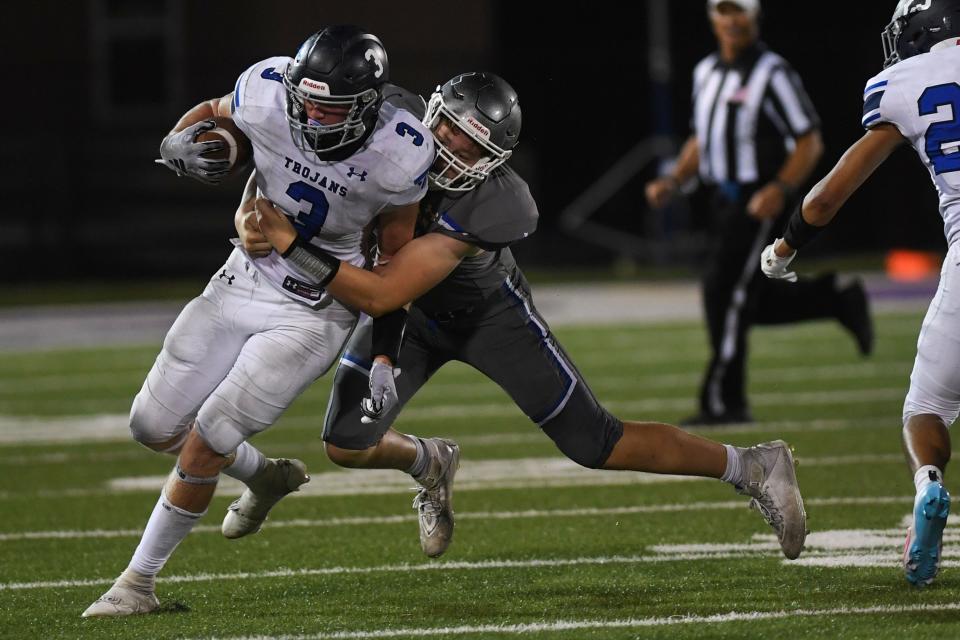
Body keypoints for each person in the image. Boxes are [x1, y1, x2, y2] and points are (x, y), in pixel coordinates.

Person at [250, 71, 808, 563]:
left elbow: (382, 290)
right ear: (429, 113)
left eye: (467, 148)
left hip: (487, 315)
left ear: (490, 164)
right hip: (409, 317)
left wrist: (289, 242)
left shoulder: (494, 203)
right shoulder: (383, 126)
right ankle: (429, 461)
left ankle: (751, 466)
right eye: (445, 128)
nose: (445, 149)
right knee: (346, 441)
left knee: (595, 443)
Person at [81, 25, 434, 617]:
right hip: (241, 276)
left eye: (331, 106)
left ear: (369, 107)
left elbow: (392, 260)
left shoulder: (400, 154)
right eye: (308, 100)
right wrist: (181, 139)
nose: (313, 115)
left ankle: (136, 584)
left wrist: (383, 350)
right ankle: (263, 476)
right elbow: (216, 114)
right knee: (150, 426)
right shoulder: (270, 90)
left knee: (210, 433)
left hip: (315, 308)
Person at [761, 0, 960, 586]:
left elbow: (826, 198)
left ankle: (928, 484)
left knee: (927, 407)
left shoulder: (905, 83)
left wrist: (786, 247)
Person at [644, 0, 874, 426]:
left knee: (724, 293)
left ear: (754, 17)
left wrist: (780, 188)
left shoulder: (773, 72)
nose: (732, 20)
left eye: (740, 12)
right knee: (743, 299)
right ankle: (837, 299)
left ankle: (723, 401)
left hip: (758, 198)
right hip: (721, 200)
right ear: (713, 18)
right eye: (724, 11)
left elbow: (809, 141)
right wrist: (675, 180)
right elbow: (702, 137)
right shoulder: (705, 72)